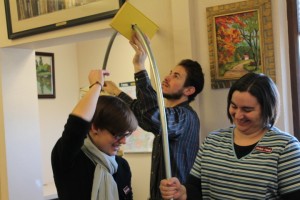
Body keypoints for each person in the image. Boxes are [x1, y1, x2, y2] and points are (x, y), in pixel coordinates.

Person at [160, 72, 300, 200]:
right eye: (234, 106)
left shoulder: (286, 148)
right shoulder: (212, 141)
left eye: (247, 109)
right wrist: (182, 192)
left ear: (267, 109)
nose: (238, 115)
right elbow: (195, 189)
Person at [103, 34, 205, 200]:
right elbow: (145, 115)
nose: (166, 77)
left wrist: (139, 66)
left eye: (176, 76)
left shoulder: (185, 117)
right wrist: (117, 92)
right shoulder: (171, 116)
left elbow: (152, 115)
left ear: (189, 90)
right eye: (171, 73)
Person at [51, 69, 138, 200]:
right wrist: (96, 85)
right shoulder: (70, 159)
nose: (123, 141)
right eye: (118, 134)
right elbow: (76, 125)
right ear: (95, 127)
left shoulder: (122, 166)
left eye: (127, 134)